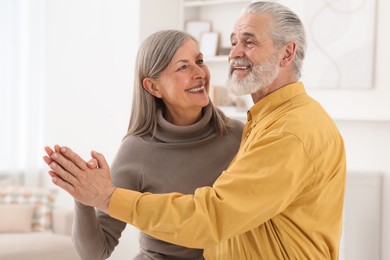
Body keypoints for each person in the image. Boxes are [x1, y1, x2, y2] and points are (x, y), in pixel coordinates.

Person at [44, 2, 347, 259]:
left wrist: (107, 196)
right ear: (153, 86)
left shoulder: (278, 132)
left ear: (286, 54)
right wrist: (88, 195)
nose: (233, 53)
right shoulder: (263, 123)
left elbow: (213, 217)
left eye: (249, 41)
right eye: (234, 41)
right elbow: (98, 247)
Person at [44, 29, 244, 260]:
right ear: (153, 87)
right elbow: (95, 252)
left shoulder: (238, 136)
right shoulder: (137, 150)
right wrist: (84, 198)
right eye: (183, 67)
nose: (200, 72)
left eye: (199, 61)